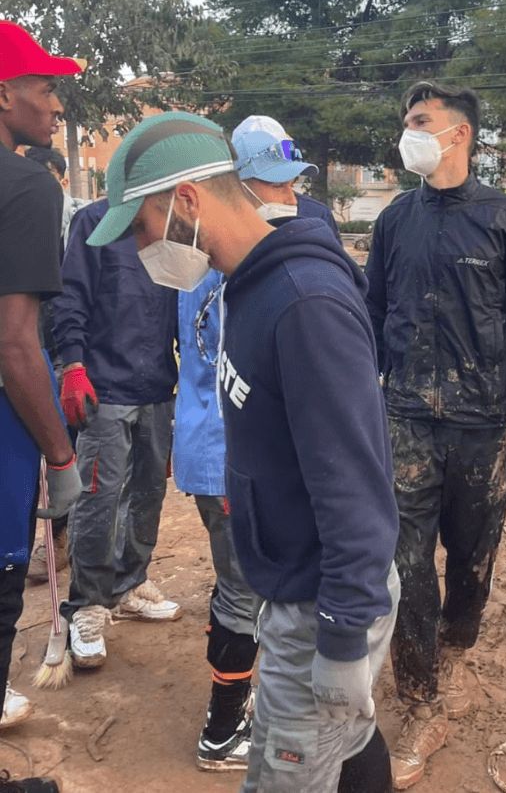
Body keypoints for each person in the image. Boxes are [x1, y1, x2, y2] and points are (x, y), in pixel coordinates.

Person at [89, 111, 400, 793]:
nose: (142, 248)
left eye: (143, 227)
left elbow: (355, 483)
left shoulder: (302, 303)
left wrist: (344, 633)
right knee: (343, 747)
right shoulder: (246, 288)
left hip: (321, 600)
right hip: (289, 584)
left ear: (189, 201)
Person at [365, 80, 506, 790]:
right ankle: (421, 699)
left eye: (420, 122)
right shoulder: (394, 221)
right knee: (406, 563)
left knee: (472, 558)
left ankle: (456, 635)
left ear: (460, 134)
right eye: (406, 122)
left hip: (483, 423)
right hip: (407, 420)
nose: (408, 133)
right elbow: (372, 315)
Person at [174, 113, 339, 772]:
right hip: (227, 458)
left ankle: (235, 710)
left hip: (214, 450)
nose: (289, 199)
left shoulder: (206, 253)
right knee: (245, 591)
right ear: (234, 188)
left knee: (236, 586)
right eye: (273, 187)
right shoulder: (227, 262)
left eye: (292, 183)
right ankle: (220, 732)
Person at [0, 20, 83, 793]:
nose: (55, 104)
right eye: (45, 86)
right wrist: (60, 456)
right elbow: (16, 346)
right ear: (4, 93)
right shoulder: (26, 184)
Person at [52, 195, 180, 669]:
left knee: (148, 493)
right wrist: (73, 364)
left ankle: (129, 582)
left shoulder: (169, 223)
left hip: (156, 387)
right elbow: (71, 296)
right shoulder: (97, 221)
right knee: (99, 499)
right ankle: (86, 605)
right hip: (105, 387)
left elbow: (180, 304)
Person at [22, 146, 89, 584]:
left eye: (48, 176)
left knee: (67, 445)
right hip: (28, 349)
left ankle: (60, 540)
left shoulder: (79, 222)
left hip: (66, 351)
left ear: (62, 179)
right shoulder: (21, 219)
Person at [231, 114, 341, 239]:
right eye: (278, 185)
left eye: (292, 183)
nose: (292, 201)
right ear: (239, 184)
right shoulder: (213, 227)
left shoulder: (317, 216)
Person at [24, 146, 90, 247]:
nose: (37, 184)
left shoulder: (85, 222)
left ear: (64, 183)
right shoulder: (14, 221)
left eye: (46, 177)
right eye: (30, 177)